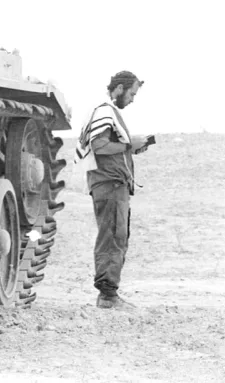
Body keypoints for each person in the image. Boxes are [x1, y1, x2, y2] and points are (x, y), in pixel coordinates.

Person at [74, 71, 150, 310]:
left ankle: (109, 294)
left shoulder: (103, 110)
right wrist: (129, 144)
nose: (132, 99)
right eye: (131, 94)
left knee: (115, 236)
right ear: (119, 88)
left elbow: (106, 146)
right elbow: (99, 145)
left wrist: (132, 149)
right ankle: (108, 296)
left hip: (110, 184)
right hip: (110, 183)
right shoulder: (105, 110)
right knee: (113, 237)